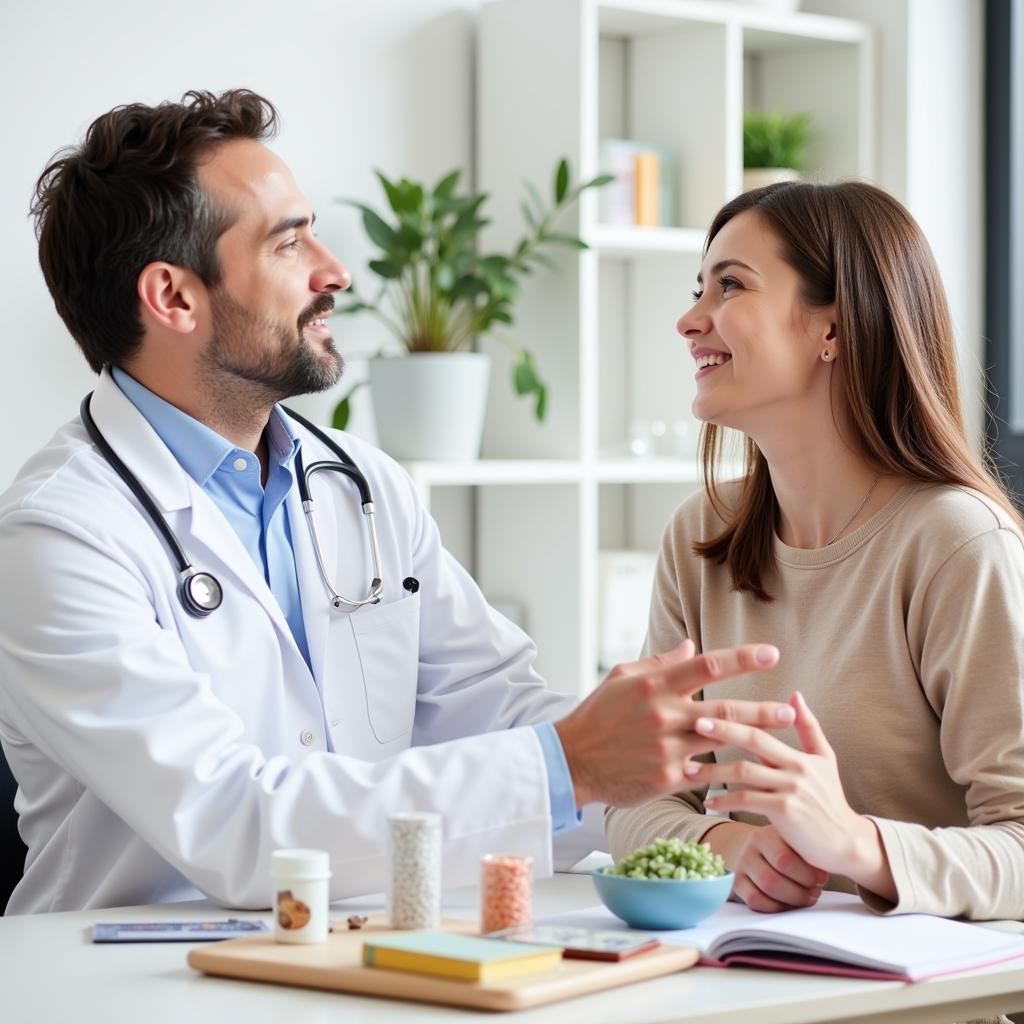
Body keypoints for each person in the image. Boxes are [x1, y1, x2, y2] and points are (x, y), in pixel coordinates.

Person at [0, 89, 794, 914]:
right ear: (173, 297)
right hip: (125, 985)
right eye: (288, 242)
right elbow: (238, 827)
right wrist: (574, 761)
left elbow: (500, 710)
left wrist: (691, 789)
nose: (335, 271)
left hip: (352, 956)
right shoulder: (60, 537)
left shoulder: (363, 487)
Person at [605, 180, 1024, 926]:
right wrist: (726, 844)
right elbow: (639, 794)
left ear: (833, 326)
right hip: (743, 983)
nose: (689, 320)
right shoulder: (702, 536)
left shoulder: (957, 544)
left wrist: (857, 846)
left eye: (729, 285)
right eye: (698, 288)